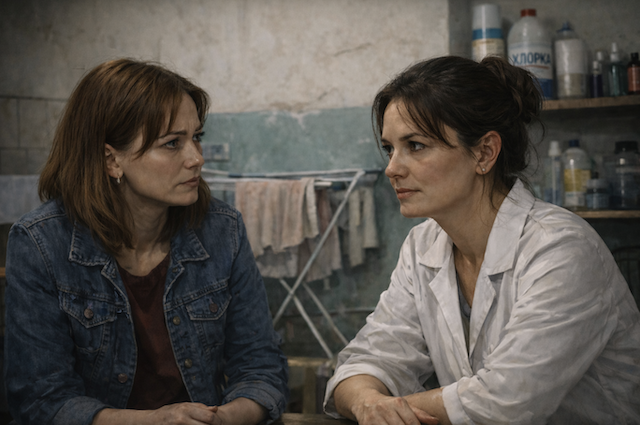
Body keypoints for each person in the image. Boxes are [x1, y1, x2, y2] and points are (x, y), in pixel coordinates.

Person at [323, 56, 640, 425]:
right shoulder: (422, 246)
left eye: (416, 145)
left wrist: (393, 407)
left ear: (485, 152)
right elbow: (368, 360)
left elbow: (506, 399)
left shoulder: (561, 248)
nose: (392, 168)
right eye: (389, 148)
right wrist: (367, 402)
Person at [4, 59, 289, 425]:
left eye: (196, 137)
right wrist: (154, 421)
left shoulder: (222, 229)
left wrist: (224, 418)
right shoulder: (40, 243)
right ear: (111, 160)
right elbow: (40, 400)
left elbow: (261, 367)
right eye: (172, 143)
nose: (197, 158)